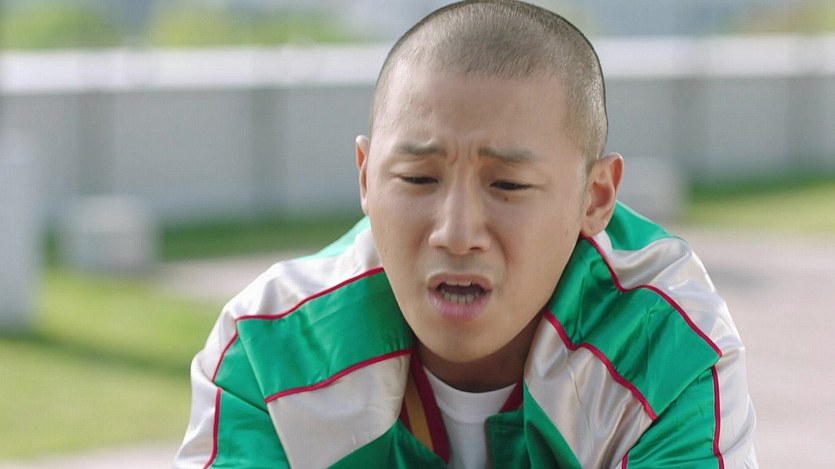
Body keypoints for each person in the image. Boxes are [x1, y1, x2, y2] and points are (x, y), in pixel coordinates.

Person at [174, 1, 757, 467]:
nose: (455, 234)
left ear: (595, 197)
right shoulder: (270, 348)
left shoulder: (670, 345)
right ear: (366, 177)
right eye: (418, 178)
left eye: (507, 184)